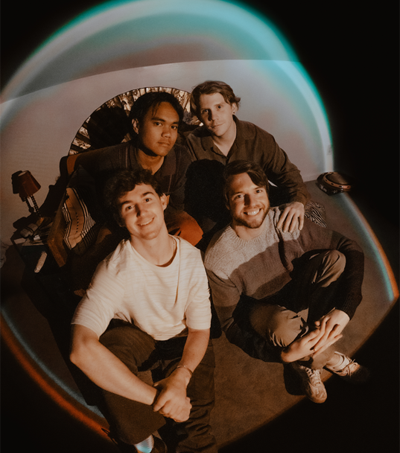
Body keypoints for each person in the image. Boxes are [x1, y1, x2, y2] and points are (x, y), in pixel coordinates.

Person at [70, 169, 218, 453]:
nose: (141, 211)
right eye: (129, 207)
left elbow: (200, 330)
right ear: (120, 219)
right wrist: (158, 397)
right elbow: (80, 350)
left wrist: (182, 376)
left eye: (147, 199)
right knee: (106, 353)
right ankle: (143, 442)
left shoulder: (191, 258)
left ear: (163, 201)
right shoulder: (114, 269)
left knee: (196, 427)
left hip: (181, 337)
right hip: (139, 334)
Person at [204, 160, 367, 404]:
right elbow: (231, 326)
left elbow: (349, 246)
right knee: (281, 325)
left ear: (267, 193)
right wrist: (284, 355)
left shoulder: (284, 219)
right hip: (263, 311)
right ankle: (325, 359)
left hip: (297, 293)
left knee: (336, 259)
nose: (252, 203)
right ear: (228, 203)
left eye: (257, 191)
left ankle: (308, 350)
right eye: (239, 196)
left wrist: (346, 309)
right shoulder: (217, 258)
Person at [70, 91, 203, 291]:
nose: (167, 134)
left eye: (174, 126)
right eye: (158, 124)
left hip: (162, 218)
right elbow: (110, 214)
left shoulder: (180, 157)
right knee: (101, 262)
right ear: (136, 125)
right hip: (122, 222)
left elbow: (179, 205)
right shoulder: (113, 160)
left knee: (190, 229)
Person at [184, 80, 325, 246]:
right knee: (213, 245)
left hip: (257, 201)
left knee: (308, 211)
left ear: (233, 107)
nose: (213, 117)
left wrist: (297, 203)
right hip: (218, 211)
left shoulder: (257, 136)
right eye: (205, 111)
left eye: (219, 107)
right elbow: (194, 198)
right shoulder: (191, 144)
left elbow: (288, 175)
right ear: (199, 116)